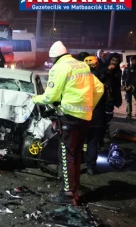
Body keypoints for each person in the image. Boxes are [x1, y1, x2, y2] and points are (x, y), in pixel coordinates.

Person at [31, 41, 104, 205]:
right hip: (84, 118)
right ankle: (74, 190)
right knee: (76, 155)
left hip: (69, 118)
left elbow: (51, 96)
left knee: (66, 155)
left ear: (54, 57)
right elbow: (99, 88)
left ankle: (69, 195)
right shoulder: (81, 66)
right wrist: (89, 106)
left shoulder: (60, 67)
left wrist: (34, 98)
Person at [83, 56, 106, 175]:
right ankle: (90, 167)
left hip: (81, 114)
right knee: (93, 142)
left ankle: (75, 166)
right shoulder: (102, 78)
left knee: (78, 142)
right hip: (96, 114)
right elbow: (105, 98)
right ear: (96, 64)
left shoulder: (80, 78)